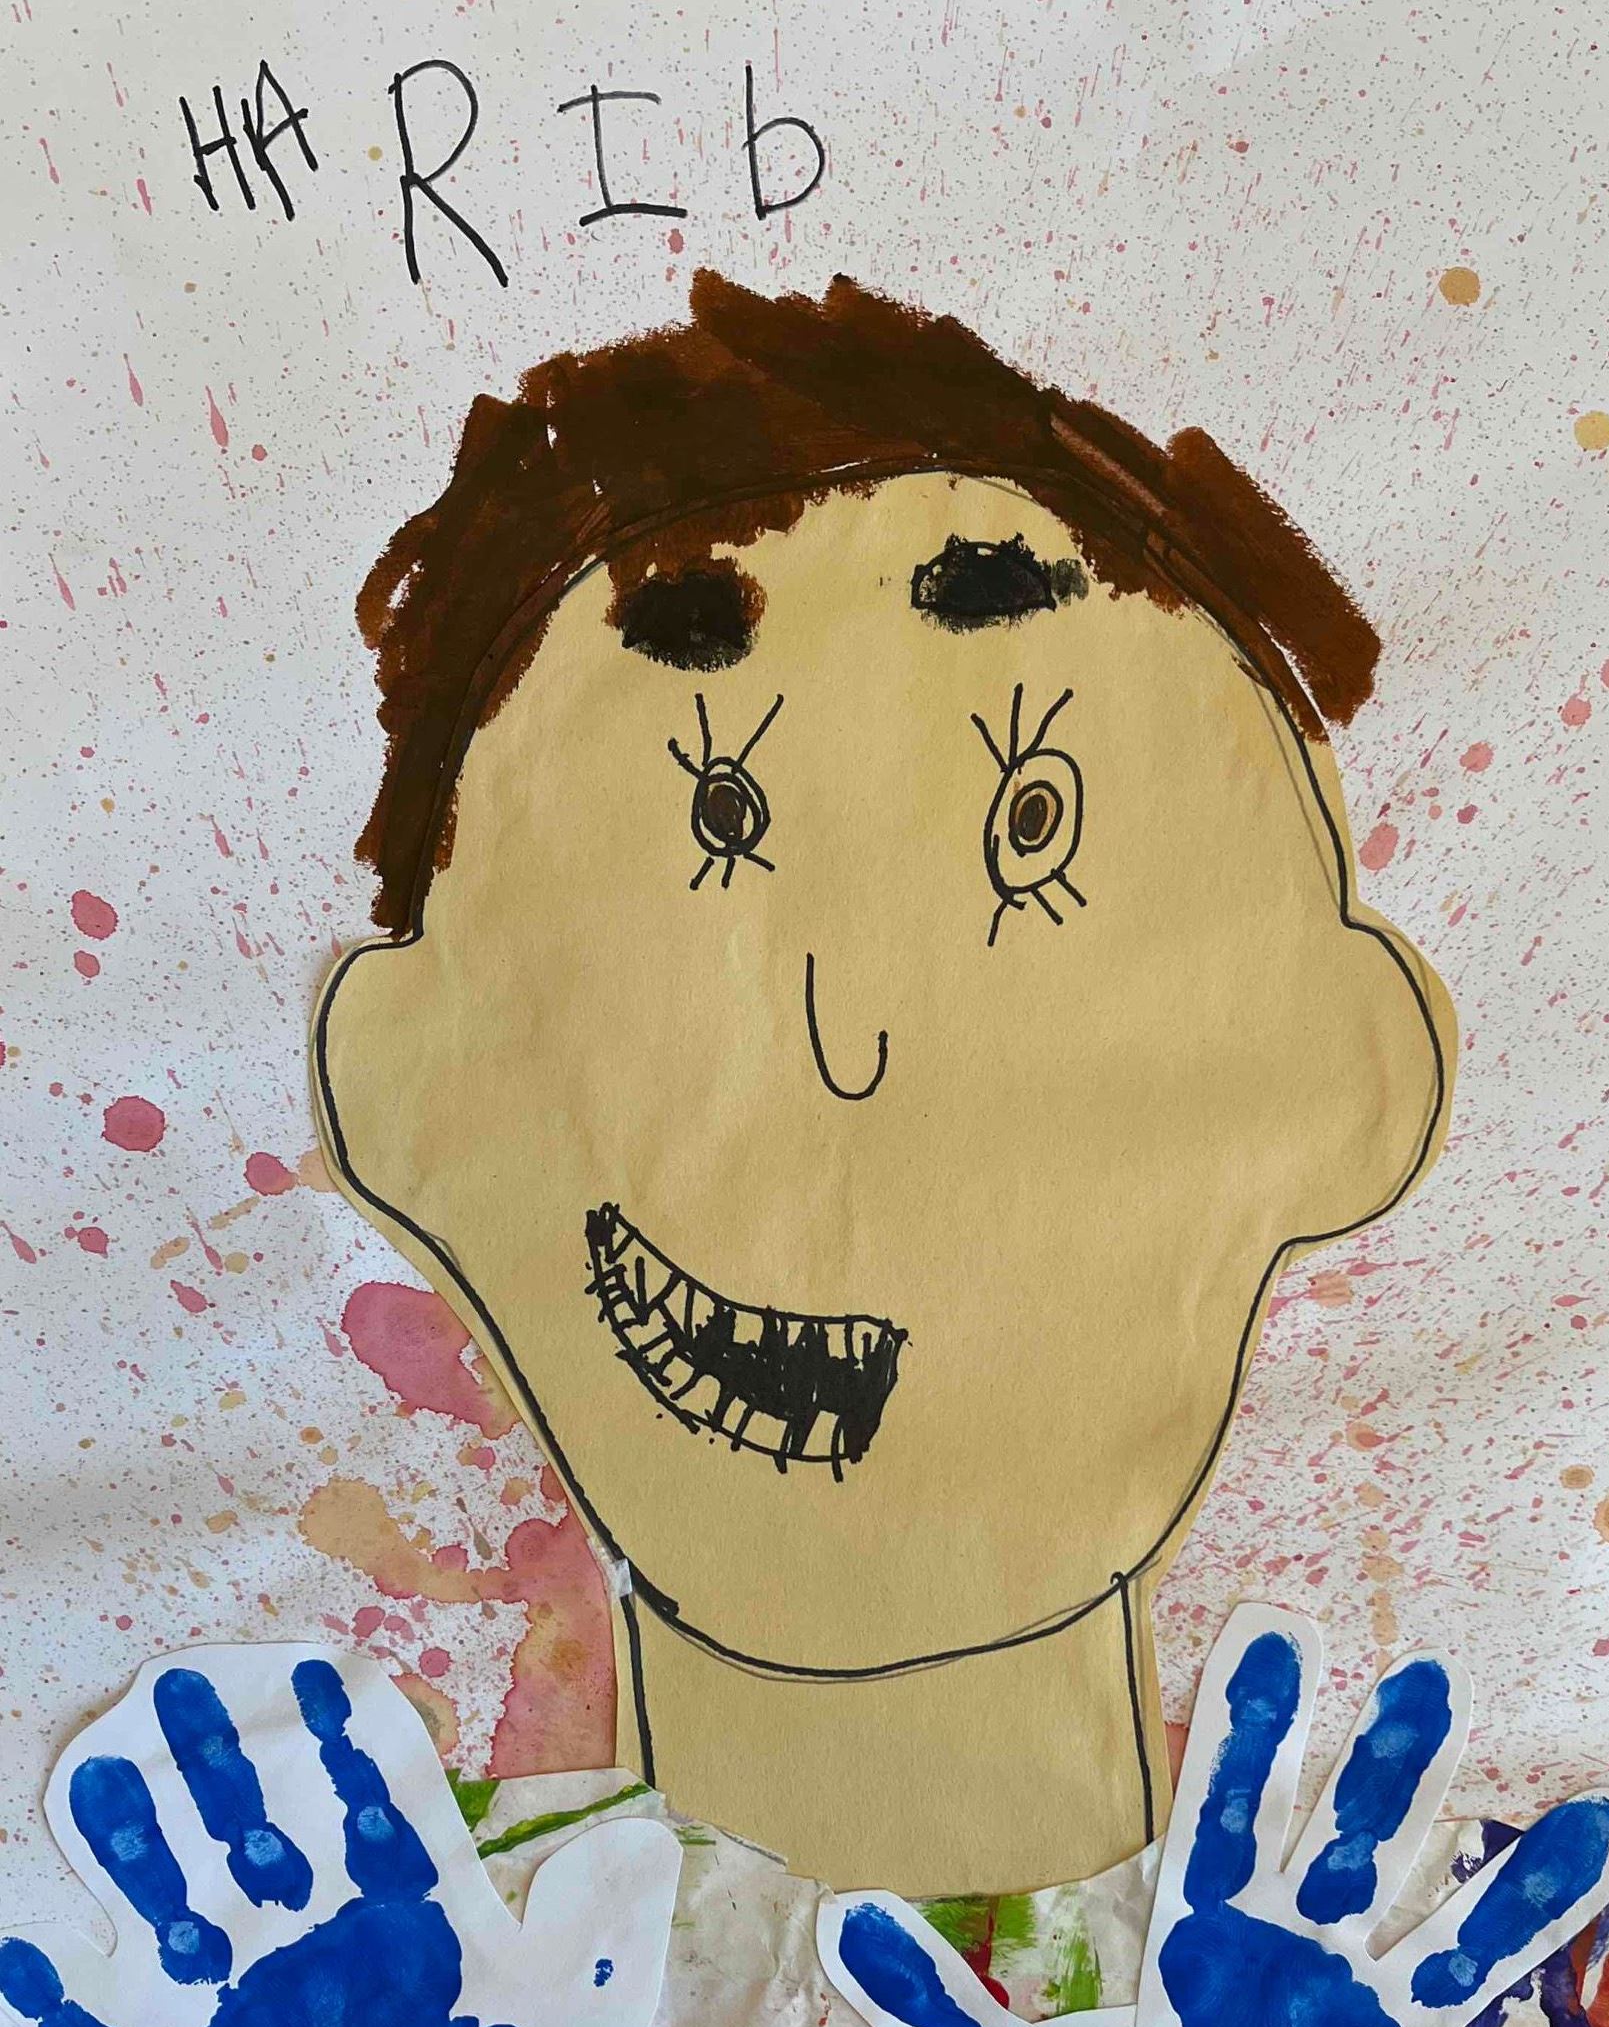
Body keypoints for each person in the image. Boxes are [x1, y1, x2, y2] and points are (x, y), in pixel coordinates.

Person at [313, 267, 1452, 1895]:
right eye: (714, 822)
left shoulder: (1447, 1963)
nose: (847, 1040)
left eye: (1034, 823)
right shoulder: (370, 1954)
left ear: (1353, 1064)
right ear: (403, 1078)